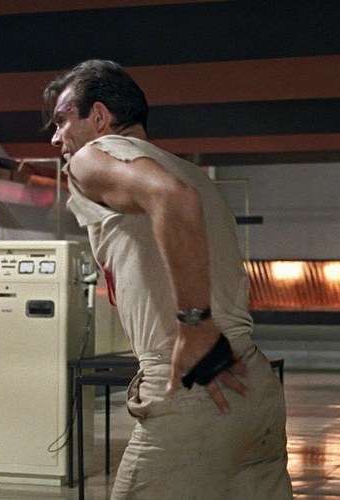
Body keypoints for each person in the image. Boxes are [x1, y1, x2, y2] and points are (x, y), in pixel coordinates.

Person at [43, 60, 293, 499]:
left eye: (63, 121)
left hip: (196, 383)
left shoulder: (91, 158)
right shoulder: (188, 171)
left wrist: (194, 326)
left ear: (99, 117)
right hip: (253, 385)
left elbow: (170, 199)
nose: (55, 138)